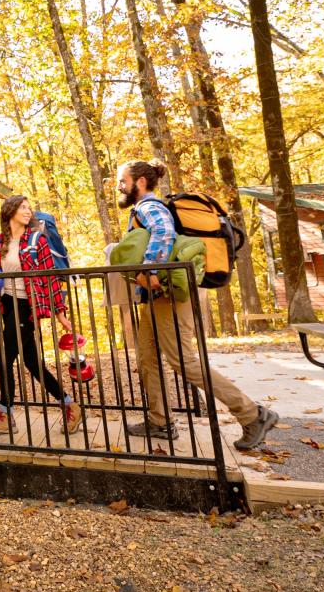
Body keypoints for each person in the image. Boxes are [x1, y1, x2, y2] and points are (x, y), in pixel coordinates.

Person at [116, 160, 278, 451]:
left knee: (183, 361)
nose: (120, 186)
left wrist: (151, 272)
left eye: (123, 181)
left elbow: (164, 232)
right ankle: (160, 420)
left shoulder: (148, 207)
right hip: (154, 299)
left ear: (140, 182)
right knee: (147, 359)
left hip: (166, 295)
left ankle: (253, 414)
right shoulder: (144, 208)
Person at [0, 195, 83, 433]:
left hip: (28, 308)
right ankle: (70, 406)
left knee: (2, 359)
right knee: (32, 362)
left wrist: (60, 313)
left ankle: (5, 415)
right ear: (9, 212)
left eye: (29, 208)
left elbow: (50, 276)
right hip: (8, 306)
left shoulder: (37, 240)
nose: (29, 211)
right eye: (23, 207)